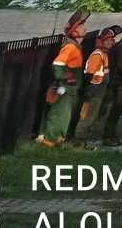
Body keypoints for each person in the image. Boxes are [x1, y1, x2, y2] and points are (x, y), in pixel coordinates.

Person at [38, 13, 88, 147]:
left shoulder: (75, 46)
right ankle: (49, 140)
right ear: (75, 31)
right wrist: (66, 77)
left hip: (69, 88)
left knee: (65, 113)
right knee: (58, 112)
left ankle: (58, 138)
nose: (85, 28)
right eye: (82, 26)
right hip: (64, 87)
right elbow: (58, 64)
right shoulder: (70, 47)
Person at [77, 27, 117, 142]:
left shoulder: (103, 54)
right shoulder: (97, 55)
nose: (111, 42)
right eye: (108, 40)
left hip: (98, 90)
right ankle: (80, 141)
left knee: (92, 116)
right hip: (94, 90)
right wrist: (88, 90)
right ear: (101, 41)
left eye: (111, 40)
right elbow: (89, 74)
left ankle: (84, 139)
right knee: (87, 117)